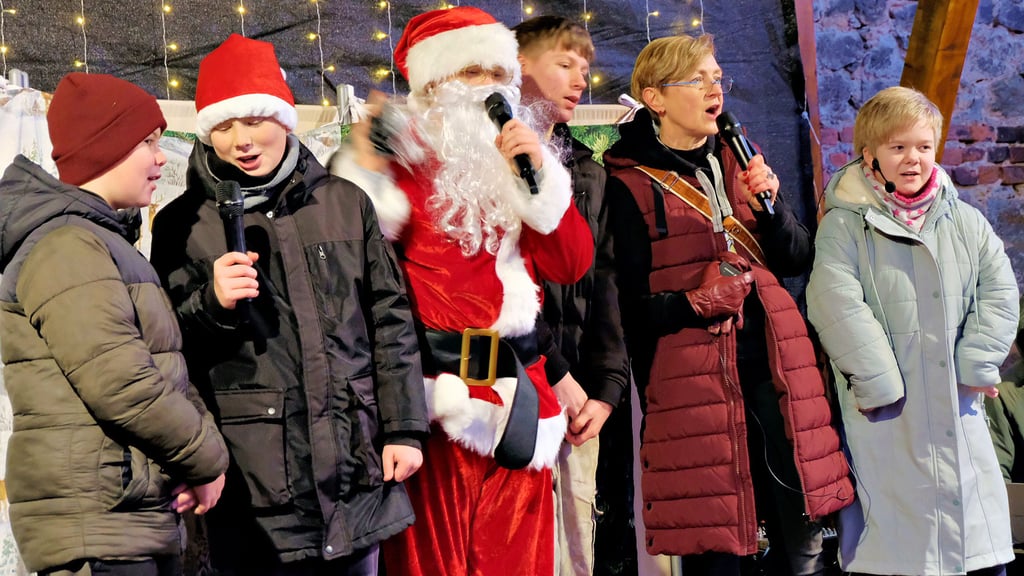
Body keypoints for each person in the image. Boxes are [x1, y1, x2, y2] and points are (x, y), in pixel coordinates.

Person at [148, 34, 429, 576]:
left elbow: (390, 320)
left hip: (353, 467)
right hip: (253, 482)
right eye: (224, 127)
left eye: (254, 121)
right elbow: (165, 350)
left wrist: (404, 428)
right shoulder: (183, 223)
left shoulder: (345, 203)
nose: (241, 141)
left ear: (283, 118)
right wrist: (211, 303)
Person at [333, 7, 593, 576]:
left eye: (499, 74)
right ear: (433, 85)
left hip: (519, 401)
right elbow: (353, 275)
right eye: (472, 72)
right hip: (433, 403)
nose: (488, 88)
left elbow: (572, 264)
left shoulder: (521, 161)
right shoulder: (397, 164)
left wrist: (540, 180)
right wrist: (364, 168)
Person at [603, 34, 854, 576]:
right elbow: (626, 308)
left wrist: (771, 208)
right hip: (695, 386)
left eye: (718, 79)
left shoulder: (743, 158)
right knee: (717, 543)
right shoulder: (627, 184)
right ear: (655, 98)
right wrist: (693, 303)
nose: (715, 90)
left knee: (799, 537)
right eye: (698, 80)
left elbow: (796, 257)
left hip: (776, 370)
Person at [0, 72, 229, 576]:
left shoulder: (102, 242)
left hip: (123, 516)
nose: (161, 158)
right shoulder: (67, 247)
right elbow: (123, 384)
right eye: (148, 142)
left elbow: (162, 369)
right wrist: (208, 460)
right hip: (97, 526)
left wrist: (195, 459)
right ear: (107, 147)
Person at [808, 85, 1019, 576]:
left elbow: (1000, 290)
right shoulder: (845, 227)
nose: (913, 159)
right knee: (902, 551)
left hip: (958, 406)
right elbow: (834, 302)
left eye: (923, 146)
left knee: (976, 550)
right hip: (888, 415)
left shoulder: (965, 221)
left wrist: (977, 362)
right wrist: (879, 382)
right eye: (898, 146)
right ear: (870, 154)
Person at [511, 15, 630, 576]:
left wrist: (606, 387)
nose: (581, 79)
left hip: (579, 395)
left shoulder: (586, 167)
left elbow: (604, 278)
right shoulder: (487, 161)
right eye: (564, 64)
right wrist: (552, 369)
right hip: (515, 387)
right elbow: (499, 281)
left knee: (577, 549)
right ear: (519, 67)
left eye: (585, 68)